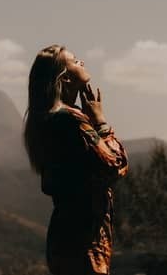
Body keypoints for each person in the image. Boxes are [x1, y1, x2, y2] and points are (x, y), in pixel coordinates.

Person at [23, 44, 129, 275]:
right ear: (66, 78)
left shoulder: (47, 121)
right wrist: (100, 122)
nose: (81, 62)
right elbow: (115, 165)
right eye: (74, 60)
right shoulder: (71, 121)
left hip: (65, 239)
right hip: (84, 241)